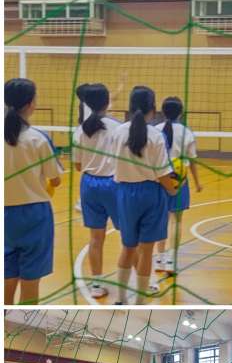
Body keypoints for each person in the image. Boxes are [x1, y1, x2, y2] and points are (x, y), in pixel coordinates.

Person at [110, 86, 177, 305]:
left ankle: (120, 299)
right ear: (153, 108)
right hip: (151, 194)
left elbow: (113, 164)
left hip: (124, 193)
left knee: (128, 247)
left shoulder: (118, 132)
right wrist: (173, 189)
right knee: (146, 251)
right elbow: (162, 173)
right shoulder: (156, 136)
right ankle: (140, 300)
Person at [5, 78, 62, 304]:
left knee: (6, 278)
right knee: (30, 282)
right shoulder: (38, 138)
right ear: (31, 103)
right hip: (34, 215)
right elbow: (55, 179)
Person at [73, 83, 121, 299]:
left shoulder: (80, 130)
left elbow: (78, 165)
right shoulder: (118, 127)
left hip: (89, 185)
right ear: (106, 102)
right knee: (129, 236)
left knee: (95, 239)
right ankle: (140, 282)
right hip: (114, 184)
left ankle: (96, 284)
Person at [155, 96, 202, 273]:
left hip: (159, 178)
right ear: (181, 113)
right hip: (179, 180)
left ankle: (159, 259)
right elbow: (192, 160)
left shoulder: (155, 130)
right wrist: (197, 183)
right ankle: (171, 261)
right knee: (177, 220)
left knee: (161, 219)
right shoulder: (186, 132)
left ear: (163, 111)